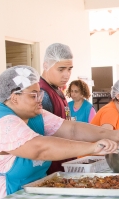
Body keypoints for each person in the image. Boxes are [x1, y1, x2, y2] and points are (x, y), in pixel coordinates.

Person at [0, 66, 119, 199]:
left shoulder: (35, 115)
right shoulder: (3, 122)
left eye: (40, 94)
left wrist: (113, 135)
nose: (40, 101)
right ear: (14, 97)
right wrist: (92, 148)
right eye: (33, 96)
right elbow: (39, 149)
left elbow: (72, 129)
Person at [38, 43, 75, 173]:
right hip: (51, 169)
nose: (67, 74)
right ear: (46, 65)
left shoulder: (56, 89)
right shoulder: (43, 94)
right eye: (61, 69)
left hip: (64, 163)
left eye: (69, 69)